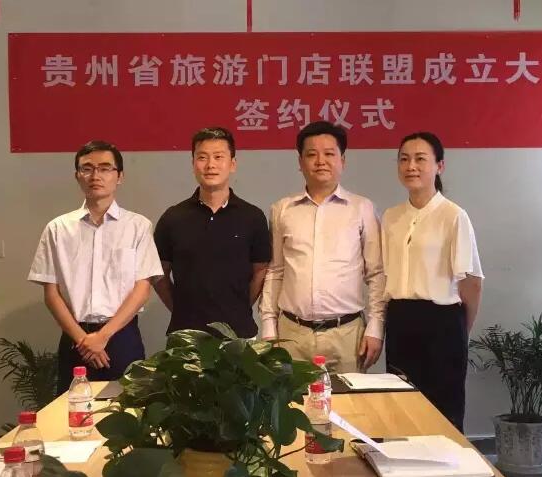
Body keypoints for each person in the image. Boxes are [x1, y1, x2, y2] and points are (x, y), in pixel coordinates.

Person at [28, 140, 163, 395]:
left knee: (128, 411)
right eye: (87, 168)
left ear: (119, 176)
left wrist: (103, 336)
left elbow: (142, 289)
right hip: (75, 338)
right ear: (77, 176)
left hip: (122, 337)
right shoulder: (58, 229)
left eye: (105, 168)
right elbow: (51, 293)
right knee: (71, 411)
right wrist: (84, 340)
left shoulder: (138, 226)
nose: (95, 176)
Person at [260, 120, 385, 372]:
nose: (320, 161)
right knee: (290, 398)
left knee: (350, 399)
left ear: (342, 160)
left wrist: (375, 327)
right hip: (291, 335)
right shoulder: (282, 209)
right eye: (311, 154)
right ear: (300, 162)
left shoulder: (362, 208)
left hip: (347, 335)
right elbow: (275, 272)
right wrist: (269, 328)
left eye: (329, 154)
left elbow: (376, 274)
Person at [382, 131, 483, 432]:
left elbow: (472, 283)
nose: (411, 166)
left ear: (439, 166)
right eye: (404, 159)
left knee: (443, 413)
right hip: (399, 318)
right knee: (401, 410)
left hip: (442, 322)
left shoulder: (453, 216)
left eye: (420, 159)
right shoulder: (391, 216)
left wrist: (460, 330)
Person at [153, 127, 271, 338]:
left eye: (218, 157)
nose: (210, 165)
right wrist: (179, 309)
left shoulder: (252, 217)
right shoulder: (173, 217)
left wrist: (239, 307)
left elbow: (260, 270)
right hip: (186, 335)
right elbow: (159, 273)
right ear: (193, 163)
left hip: (239, 334)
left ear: (232, 164)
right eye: (202, 157)